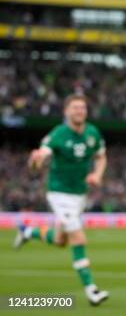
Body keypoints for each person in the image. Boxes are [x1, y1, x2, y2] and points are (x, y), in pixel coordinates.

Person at [14, 94, 109, 306]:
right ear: (66, 111)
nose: (79, 111)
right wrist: (34, 161)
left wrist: (97, 175)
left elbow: (101, 155)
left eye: (82, 108)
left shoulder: (92, 133)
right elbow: (39, 160)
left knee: (60, 240)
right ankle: (91, 290)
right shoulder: (58, 134)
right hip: (59, 193)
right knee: (78, 239)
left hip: (79, 194)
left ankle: (27, 231)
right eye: (75, 108)